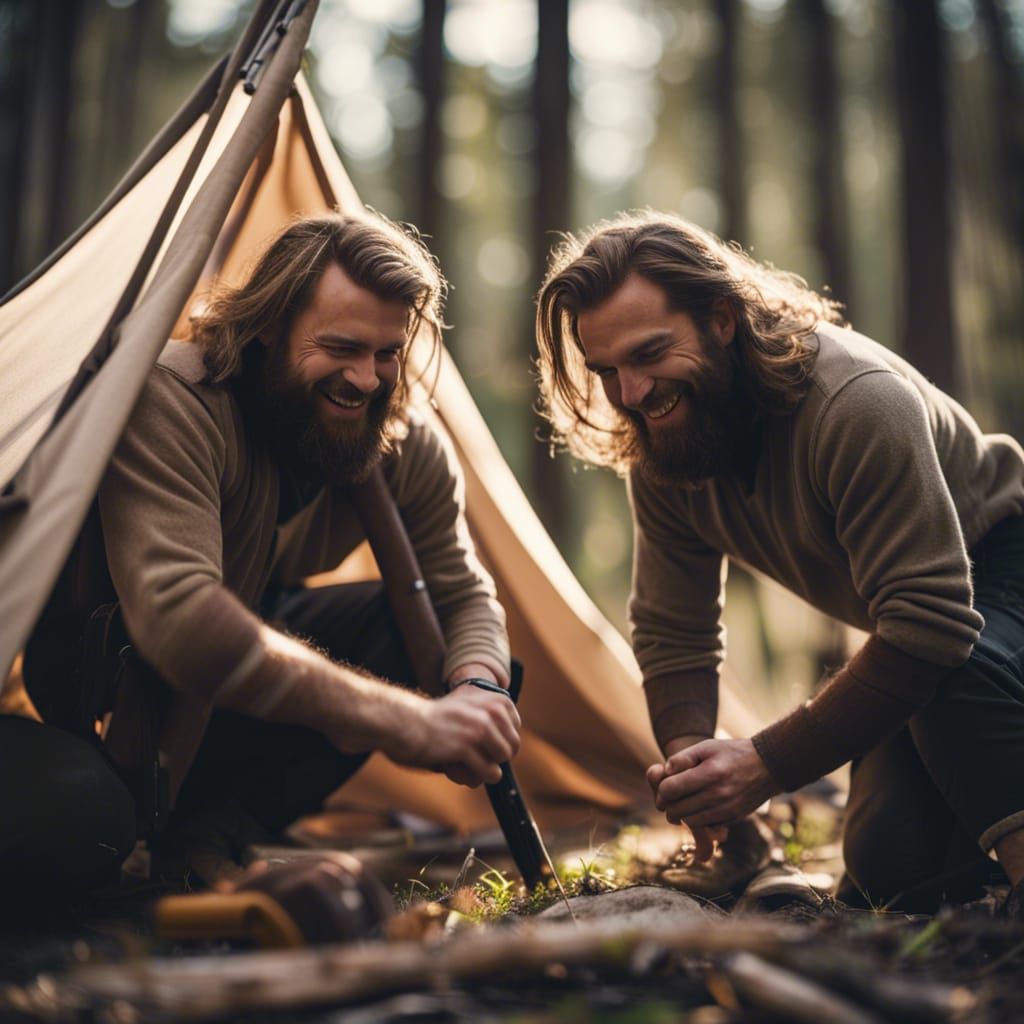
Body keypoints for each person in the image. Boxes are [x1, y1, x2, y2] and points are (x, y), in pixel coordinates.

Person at [1, 212, 519, 904]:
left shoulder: (399, 434)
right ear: (270, 325)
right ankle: (139, 819)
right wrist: (410, 722)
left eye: (387, 352)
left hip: (227, 696)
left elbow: (464, 594)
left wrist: (476, 687)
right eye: (340, 348)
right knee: (85, 820)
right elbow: (181, 620)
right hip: (118, 698)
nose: (366, 380)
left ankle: (215, 824)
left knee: (455, 655)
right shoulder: (176, 399)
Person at [535, 210, 1024, 913]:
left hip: (1001, 573)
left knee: (952, 669)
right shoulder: (665, 447)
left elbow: (932, 627)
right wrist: (700, 776)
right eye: (607, 371)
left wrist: (766, 764)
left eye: (649, 354)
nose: (632, 395)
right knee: (891, 867)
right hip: (937, 632)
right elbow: (674, 635)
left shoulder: (858, 404)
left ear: (723, 319)